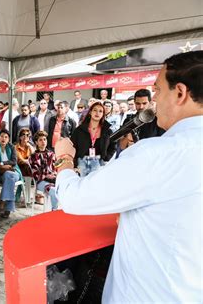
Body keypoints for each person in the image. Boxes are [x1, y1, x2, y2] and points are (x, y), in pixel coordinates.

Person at [54, 51, 203, 303]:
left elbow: (73, 198)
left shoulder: (159, 154)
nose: (153, 98)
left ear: (180, 93)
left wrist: (64, 159)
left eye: (157, 90)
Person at [71, 102, 115, 177]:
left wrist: (106, 158)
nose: (97, 113)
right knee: (82, 186)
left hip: (99, 162)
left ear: (103, 114)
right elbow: (73, 147)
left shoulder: (107, 131)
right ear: (90, 112)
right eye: (95, 110)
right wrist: (74, 164)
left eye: (100, 111)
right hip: (82, 161)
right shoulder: (79, 130)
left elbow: (113, 146)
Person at [0, 130, 22, 219]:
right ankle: (7, 207)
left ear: (8, 139)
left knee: (9, 175)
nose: (3, 139)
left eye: (6, 137)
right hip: (0, 173)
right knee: (8, 177)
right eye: (2, 136)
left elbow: (14, 162)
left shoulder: (12, 148)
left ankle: (3, 202)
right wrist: (3, 167)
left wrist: (1, 164)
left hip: (14, 171)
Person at [29, 131, 57, 208]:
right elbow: (36, 174)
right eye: (40, 140)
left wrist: (55, 173)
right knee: (54, 191)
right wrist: (47, 175)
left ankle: (55, 211)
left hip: (53, 180)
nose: (43, 142)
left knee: (63, 190)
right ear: (36, 142)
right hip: (41, 182)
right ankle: (54, 213)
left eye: (44, 139)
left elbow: (55, 169)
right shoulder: (33, 156)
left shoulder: (52, 154)